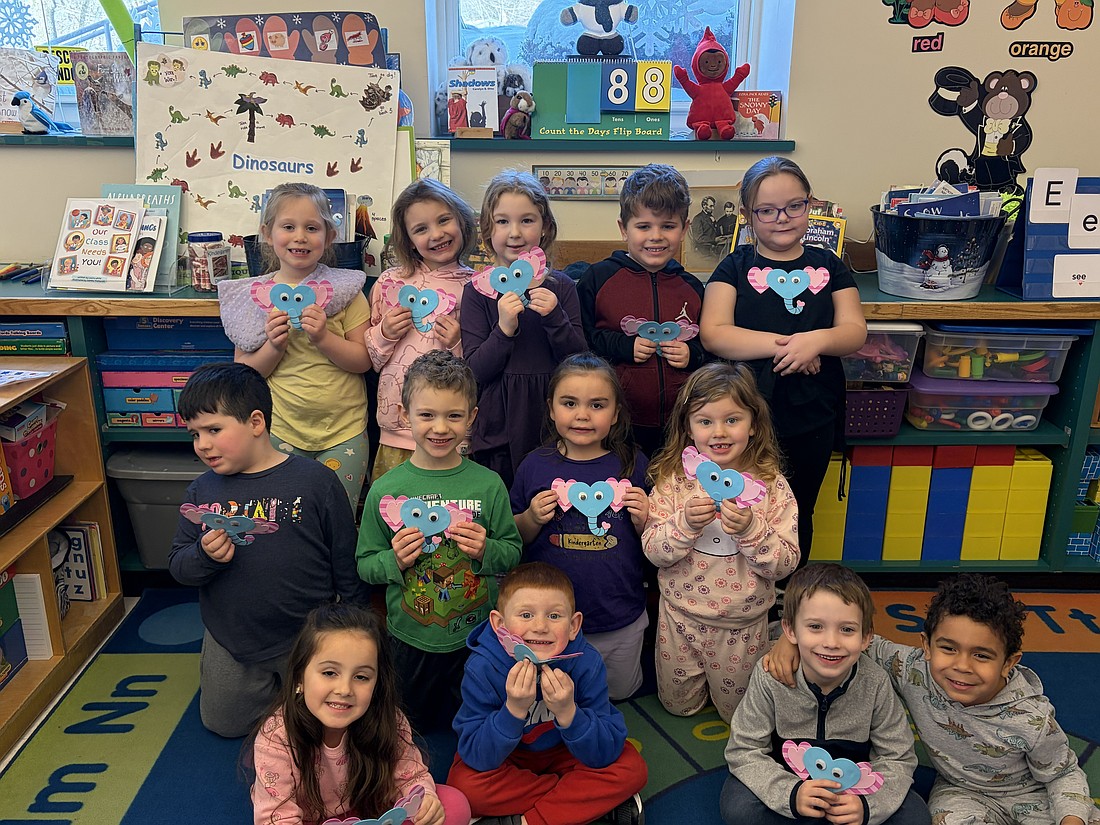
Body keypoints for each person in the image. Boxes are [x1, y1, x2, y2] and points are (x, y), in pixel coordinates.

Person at [767, 573, 1100, 825]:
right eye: (948, 648)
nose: (962, 666)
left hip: (1033, 796)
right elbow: (848, 635)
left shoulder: (1032, 718)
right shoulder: (913, 669)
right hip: (960, 793)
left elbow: (1063, 774)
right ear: (926, 646)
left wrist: (1071, 819)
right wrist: (788, 640)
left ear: (1009, 662)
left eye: (982, 655)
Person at [169, 362, 367, 738]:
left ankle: (291, 693)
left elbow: (345, 557)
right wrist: (204, 556)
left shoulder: (316, 481)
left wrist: (356, 629)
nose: (202, 445)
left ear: (256, 422)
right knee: (223, 724)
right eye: (195, 434)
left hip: (309, 634)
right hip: (234, 637)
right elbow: (178, 565)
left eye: (213, 430)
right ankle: (275, 694)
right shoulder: (201, 491)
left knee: (334, 724)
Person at [700, 157, 866, 560]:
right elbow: (715, 333)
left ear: (810, 204)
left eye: (795, 206)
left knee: (797, 510)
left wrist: (818, 340)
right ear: (747, 215)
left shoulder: (830, 265)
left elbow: (854, 331)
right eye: (767, 210)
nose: (783, 218)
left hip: (811, 414)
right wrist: (791, 346)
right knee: (738, 507)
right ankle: (739, 588)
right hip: (743, 414)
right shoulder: (734, 267)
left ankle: (789, 593)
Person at [356, 350, 522, 732]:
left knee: (474, 725)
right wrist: (394, 560)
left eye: (454, 416)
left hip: (476, 637)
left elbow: (513, 552)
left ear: (472, 417)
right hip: (410, 638)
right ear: (404, 415)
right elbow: (365, 564)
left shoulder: (488, 485)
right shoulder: (385, 489)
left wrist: (486, 550)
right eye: (427, 415)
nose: (440, 427)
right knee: (411, 729)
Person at [642, 361, 798, 721]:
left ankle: (780, 639)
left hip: (741, 626)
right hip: (679, 617)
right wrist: (683, 524)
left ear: (753, 424)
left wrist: (751, 529)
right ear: (688, 426)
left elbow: (786, 563)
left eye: (732, 419)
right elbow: (653, 552)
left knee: (737, 716)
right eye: (705, 421)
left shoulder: (771, 486)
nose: (719, 432)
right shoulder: (674, 481)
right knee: (679, 708)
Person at [721, 563, 930, 825]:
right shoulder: (769, 677)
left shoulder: (876, 683)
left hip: (854, 786)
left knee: (915, 816)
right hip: (786, 779)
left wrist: (867, 806)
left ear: (866, 637)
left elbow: (897, 756)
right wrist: (790, 794)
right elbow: (745, 749)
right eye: (815, 627)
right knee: (739, 808)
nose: (831, 643)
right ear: (790, 630)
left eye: (847, 629)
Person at [447, 562, 648, 825]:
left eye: (554, 616)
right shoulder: (482, 667)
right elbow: (476, 754)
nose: (540, 626)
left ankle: (527, 820)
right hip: (509, 759)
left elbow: (606, 748)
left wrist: (569, 713)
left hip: (567, 753)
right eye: (526, 615)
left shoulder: (586, 661)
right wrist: (513, 710)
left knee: (632, 769)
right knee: (464, 786)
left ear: (574, 625)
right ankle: (581, 801)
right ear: (499, 624)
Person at [218, 182, 371, 510]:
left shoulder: (347, 291)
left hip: (344, 431)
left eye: (312, 228)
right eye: (288, 227)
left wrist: (324, 338)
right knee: (286, 519)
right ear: (267, 233)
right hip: (281, 430)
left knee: (339, 517)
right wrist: (273, 346)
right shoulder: (254, 298)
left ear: (329, 237)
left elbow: (363, 360)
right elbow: (243, 374)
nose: (300, 236)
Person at [252, 602, 471, 825]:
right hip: (310, 820)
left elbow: (411, 776)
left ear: (376, 684)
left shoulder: (389, 719)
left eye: (361, 677)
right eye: (329, 673)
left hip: (371, 812)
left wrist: (425, 801)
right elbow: (276, 818)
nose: (344, 689)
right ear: (300, 677)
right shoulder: (275, 738)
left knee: (453, 804)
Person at [511, 353, 650, 700]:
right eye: (570, 403)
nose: (582, 415)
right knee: (557, 698)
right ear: (551, 408)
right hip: (550, 624)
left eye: (597, 405)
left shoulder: (633, 464)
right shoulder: (535, 465)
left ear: (615, 413)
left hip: (620, 614)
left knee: (619, 696)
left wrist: (644, 520)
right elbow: (514, 538)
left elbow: (657, 543)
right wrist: (530, 518)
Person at [461, 170, 586, 488]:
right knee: (503, 502)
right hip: (498, 423)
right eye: (502, 221)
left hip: (552, 419)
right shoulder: (477, 292)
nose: (515, 232)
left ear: (545, 227)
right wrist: (504, 329)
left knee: (548, 499)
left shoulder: (562, 287)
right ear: (487, 229)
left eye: (527, 220)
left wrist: (555, 317)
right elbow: (475, 371)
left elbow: (580, 363)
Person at [577, 163, 707, 458]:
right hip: (615, 423)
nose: (656, 236)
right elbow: (581, 339)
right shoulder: (598, 279)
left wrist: (692, 354)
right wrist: (624, 346)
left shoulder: (692, 288)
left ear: (685, 229)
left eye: (668, 226)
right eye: (644, 226)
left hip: (679, 426)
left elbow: (709, 349)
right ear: (624, 228)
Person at [366, 178, 477, 481]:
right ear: (408, 239)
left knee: (453, 502)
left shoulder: (477, 286)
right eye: (421, 229)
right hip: (397, 427)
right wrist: (385, 333)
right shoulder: (390, 282)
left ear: (462, 221)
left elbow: (482, 361)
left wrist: (457, 342)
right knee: (394, 503)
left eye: (444, 220)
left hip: (452, 429)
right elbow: (371, 359)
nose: (436, 234)